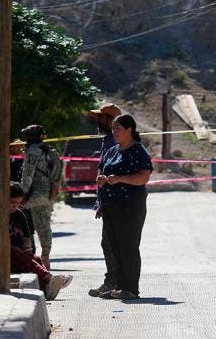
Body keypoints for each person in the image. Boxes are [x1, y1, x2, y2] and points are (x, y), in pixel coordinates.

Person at [96, 114, 153, 300]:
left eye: (118, 129)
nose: (114, 132)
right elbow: (102, 169)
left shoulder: (138, 152)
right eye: (113, 129)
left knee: (128, 245)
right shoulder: (112, 151)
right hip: (110, 206)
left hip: (130, 206)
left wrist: (120, 179)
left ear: (129, 130)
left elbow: (143, 176)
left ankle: (131, 288)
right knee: (114, 246)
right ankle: (120, 286)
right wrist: (102, 180)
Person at [7, 182, 71, 301]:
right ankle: (49, 277)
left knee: (35, 259)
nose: (15, 206)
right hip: (1, 254)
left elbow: (27, 238)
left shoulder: (19, 214)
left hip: (19, 254)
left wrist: (27, 248)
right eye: (12, 203)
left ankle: (47, 289)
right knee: (15, 252)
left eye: (18, 203)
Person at [88, 102, 123, 297]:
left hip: (116, 201)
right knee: (110, 242)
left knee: (110, 242)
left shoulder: (115, 142)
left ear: (110, 120)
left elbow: (111, 174)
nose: (97, 120)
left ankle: (114, 282)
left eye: (101, 117)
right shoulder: (108, 140)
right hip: (108, 200)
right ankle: (117, 282)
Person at [20, 124, 62, 269]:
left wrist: (22, 193)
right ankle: (45, 259)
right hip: (48, 193)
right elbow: (57, 175)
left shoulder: (33, 151)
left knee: (20, 221)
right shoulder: (51, 151)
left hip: (34, 194)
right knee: (44, 226)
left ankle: (28, 256)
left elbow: (27, 175)